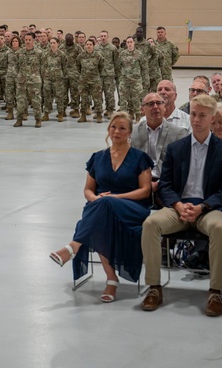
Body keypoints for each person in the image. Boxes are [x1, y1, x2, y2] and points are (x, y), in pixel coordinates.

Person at [140, 95, 222, 317]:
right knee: (150, 224)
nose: (196, 120)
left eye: (202, 115)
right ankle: (154, 287)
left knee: (219, 228)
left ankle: (215, 291)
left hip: (210, 209)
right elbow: (166, 184)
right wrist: (177, 204)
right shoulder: (176, 148)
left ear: (212, 119)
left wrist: (202, 207)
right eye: (193, 114)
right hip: (179, 208)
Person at [49, 112, 153, 303]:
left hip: (132, 207)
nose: (117, 131)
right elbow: (88, 190)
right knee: (100, 216)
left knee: (100, 208)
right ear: (108, 130)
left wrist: (114, 197)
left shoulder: (140, 158)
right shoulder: (97, 157)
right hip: (100, 208)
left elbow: (145, 191)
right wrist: (97, 198)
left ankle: (73, 247)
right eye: (113, 127)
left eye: (122, 128)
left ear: (130, 132)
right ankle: (111, 278)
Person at [130, 93, 190, 191]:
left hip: (167, 184)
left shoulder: (178, 133)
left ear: (164, 108)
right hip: (137, 182)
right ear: (142, 110)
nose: (155, 107)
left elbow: (181, 166)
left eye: (159, 103)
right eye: (150, 104)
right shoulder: (133, 132)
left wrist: (159, 184)